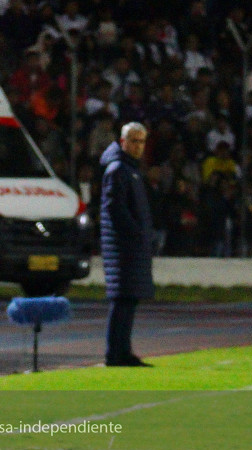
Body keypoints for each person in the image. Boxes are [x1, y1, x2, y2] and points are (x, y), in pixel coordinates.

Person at [99, 122, 154, 367]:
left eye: (141, 141)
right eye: (133, 140)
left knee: (128, 299)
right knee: (122, 300)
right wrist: (134, 233)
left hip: (129, 245)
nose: (138, 146)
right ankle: (115, 353)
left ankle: (123, 351)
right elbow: (115, 208)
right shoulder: (118, 169)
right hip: (123, 247)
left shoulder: (128, 169)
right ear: (123, 142)